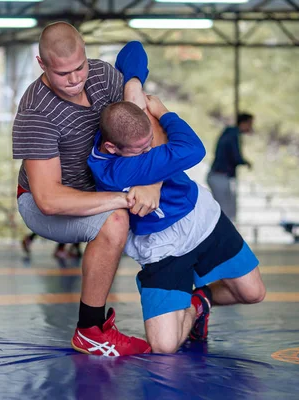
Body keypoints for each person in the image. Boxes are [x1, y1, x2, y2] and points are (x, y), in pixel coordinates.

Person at [12, 24, 158, 356]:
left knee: (172, 197)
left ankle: (193, 297)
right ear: (42, 64)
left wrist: (134, 89)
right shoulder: (36, 111)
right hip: (40, 201)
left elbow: (134, 52)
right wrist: (126, 197)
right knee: (117, 219)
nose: (76, 78)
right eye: (63, 73)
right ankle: (90, 330)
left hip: (98, 185)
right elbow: (49, 198)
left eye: (80, 66)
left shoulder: (103, 76)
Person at [88, 98, 266, 353]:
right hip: (162, 248)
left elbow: (133, 56)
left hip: (201, 220)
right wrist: (163, 113)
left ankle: (202, 298)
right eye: (141, 149)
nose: (150, 149)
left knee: (253, 293)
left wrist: (134, 84)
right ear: (111, 147)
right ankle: (195, 307)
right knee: (163, 346)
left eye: (150, 141)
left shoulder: (122, 140)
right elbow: (193, 149)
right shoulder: (118, 172)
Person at [207, 113, 254, 223]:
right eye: (250, 124)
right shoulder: (233, 135)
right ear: (244, 123)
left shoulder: (229, 133)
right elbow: (236, 156)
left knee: (228, 209)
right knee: (226, 211)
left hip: (219, 176)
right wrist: (245, 162)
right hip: (220, 176)